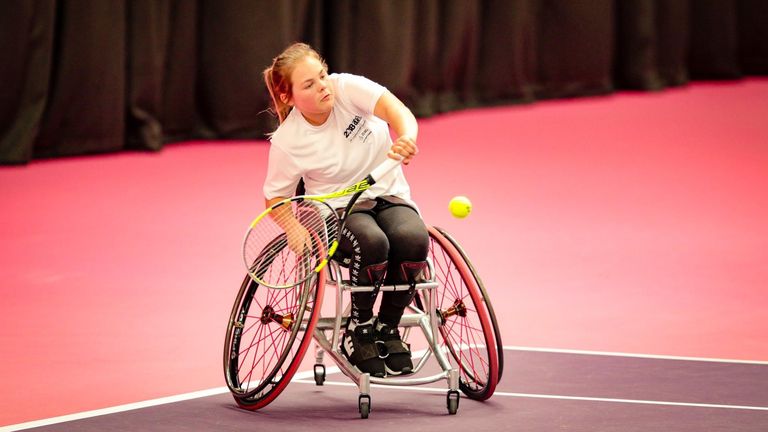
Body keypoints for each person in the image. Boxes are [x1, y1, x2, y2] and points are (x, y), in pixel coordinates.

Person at [261, 42, 428, 377]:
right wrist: (293, 228)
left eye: (321, 76)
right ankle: (360, 328)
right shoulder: (288, 141)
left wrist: (407, 136)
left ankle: (388, 328)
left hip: (389, 194)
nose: (322, 86)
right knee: (372, 243)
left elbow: (397, 111)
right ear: (287, 96)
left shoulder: (347, 88)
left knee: (413, 239)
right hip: (337, 210)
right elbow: (276, 198)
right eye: (308, 84)